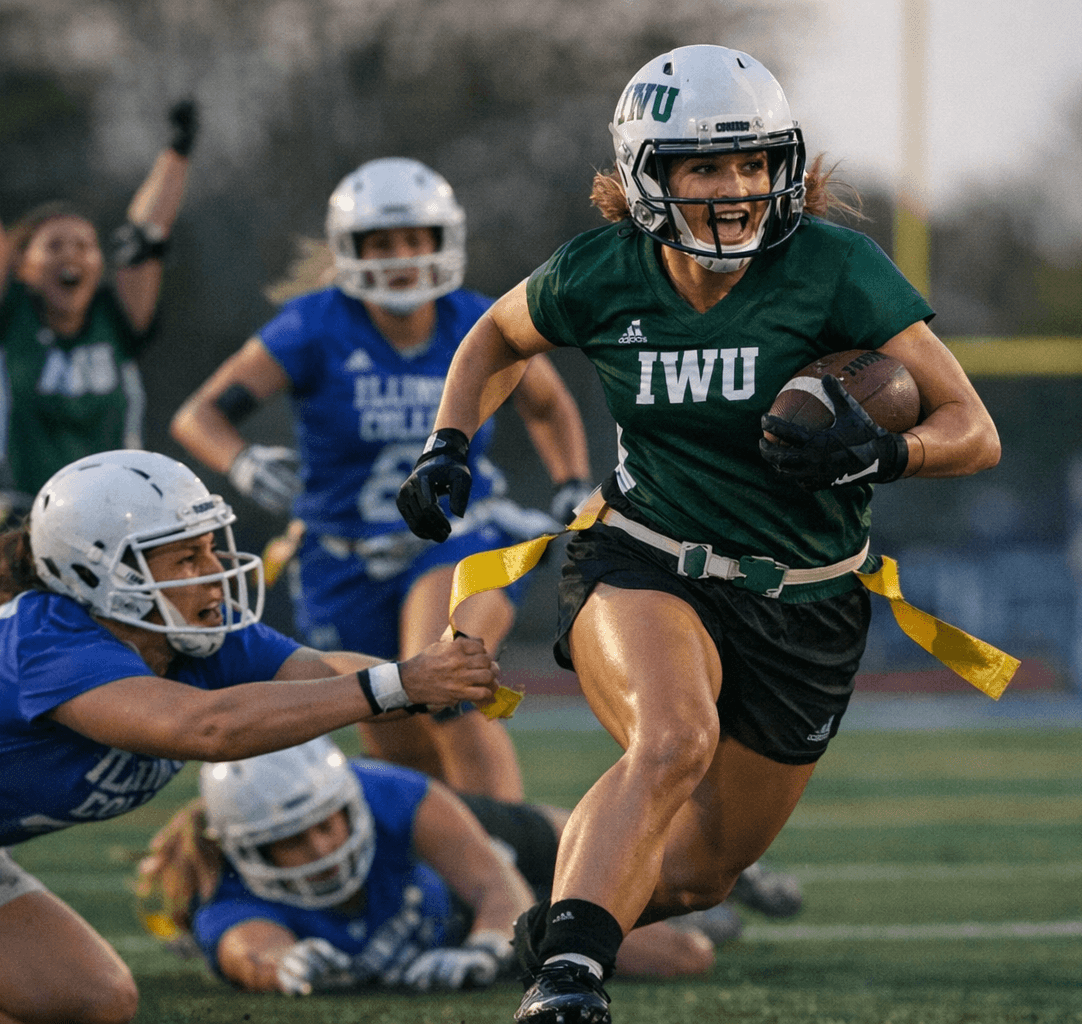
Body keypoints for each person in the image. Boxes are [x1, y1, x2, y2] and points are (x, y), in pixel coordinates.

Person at [394, 44, 1002, 1024]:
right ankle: (568, 985)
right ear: (648, 175)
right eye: (706, 167)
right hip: (646, 554)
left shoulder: (833, 267)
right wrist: (448, 442)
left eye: (755, 163)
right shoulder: (604, 271)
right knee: (673, 739)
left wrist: (881, 455)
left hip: (809, 603)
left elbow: (972, 429)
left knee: (699, 874)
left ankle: (551, 928)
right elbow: (497, 335)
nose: (737, 188)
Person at [0, 449, 497, 1024]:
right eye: (185, 557)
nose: (213, 574)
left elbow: (326, 673)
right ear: (100, 571)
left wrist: (434, 679)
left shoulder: (197, 634)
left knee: (93, 997)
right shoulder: (46, 639)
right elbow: (201, 727)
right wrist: (400, 685)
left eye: (210, 547)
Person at [171, 157, 592, 802]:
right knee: (394, 727)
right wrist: (243, 460)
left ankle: (516, 868)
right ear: (350, 250)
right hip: (344, 559)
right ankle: (478, 863)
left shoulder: (475, 322)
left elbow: (547, 404)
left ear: (442, 241)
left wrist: (569, 484)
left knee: (442, 676)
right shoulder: (315, 325)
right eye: (382, 243)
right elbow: (199, 416)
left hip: (463, 535)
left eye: (415, 239)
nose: (401, 256)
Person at [135, 736, 749, 997]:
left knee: (598, 853)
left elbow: (492, 879)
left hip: (482, 858)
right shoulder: (231, 905)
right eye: (292, 840)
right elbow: (254, 951)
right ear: (245, 848)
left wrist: (486, 950)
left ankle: (730, 876)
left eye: (328, 822)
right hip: (447, 917)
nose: (323, 848)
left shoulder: (385, 796)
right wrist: (284, 966)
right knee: (683, 955)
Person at [0, 80, 197, 551]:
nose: (71, 255)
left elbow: (147, 233)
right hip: (14, 524)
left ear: (98, 265)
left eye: (84, 245)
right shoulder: (4, 317)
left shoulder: (115, 319)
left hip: (113, 524)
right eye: (54, 246)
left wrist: (177, 151)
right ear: (23, 266)